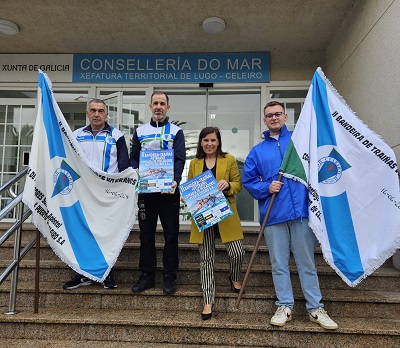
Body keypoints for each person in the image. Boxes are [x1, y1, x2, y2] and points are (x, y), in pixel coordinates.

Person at [242, 101, 338, 330]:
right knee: (278, 263)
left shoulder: (300, 140)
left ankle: (315, 308)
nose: (273, 118)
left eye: (277, 114)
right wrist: (266, 187)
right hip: (273, 215)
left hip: (301, 213)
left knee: (306, 262)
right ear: (264, 120)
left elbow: (317, 165)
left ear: (285, 117)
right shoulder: (257, 151)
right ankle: (285, 305)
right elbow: (249, 181)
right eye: (269, 115)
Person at [63, 98, 130, 290]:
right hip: (82, 193)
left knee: (108, 233)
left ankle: (107, 273)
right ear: (87, 113)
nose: (97, 114)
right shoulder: (75, 135)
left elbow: (124, 167)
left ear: (107, 114)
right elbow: (68, 162)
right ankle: (80, 273)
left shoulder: (117, 136)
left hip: (107, 195)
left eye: (101, 111)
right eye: (93, 110)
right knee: (82, 233)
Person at [130, 91, 185, 295]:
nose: (159, 107)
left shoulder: (176, 132)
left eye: (162, 103)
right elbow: (133, 157)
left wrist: (176, 180)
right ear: (150, 106)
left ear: (168, 107)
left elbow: (180, 159)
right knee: (146, 235)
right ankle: (147, 275)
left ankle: (169, 276)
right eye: (156, 103)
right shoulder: (140, 131)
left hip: (168, 192)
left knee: (171, 235)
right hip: (146, 192)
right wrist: (137, 172)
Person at [187, 127, 245, 320]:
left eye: (213, 140)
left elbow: (238, 184)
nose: (209, 144)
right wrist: (187, 198)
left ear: (218, 141)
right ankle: (208, 301)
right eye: (206, 140)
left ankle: (234, 277)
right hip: (204, 216)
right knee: (206, 260)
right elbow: (189, 186)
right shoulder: (195, 163)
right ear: (201, 143)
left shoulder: (228, 160)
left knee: (237, 251)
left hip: (225, 212)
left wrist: (228, 185)